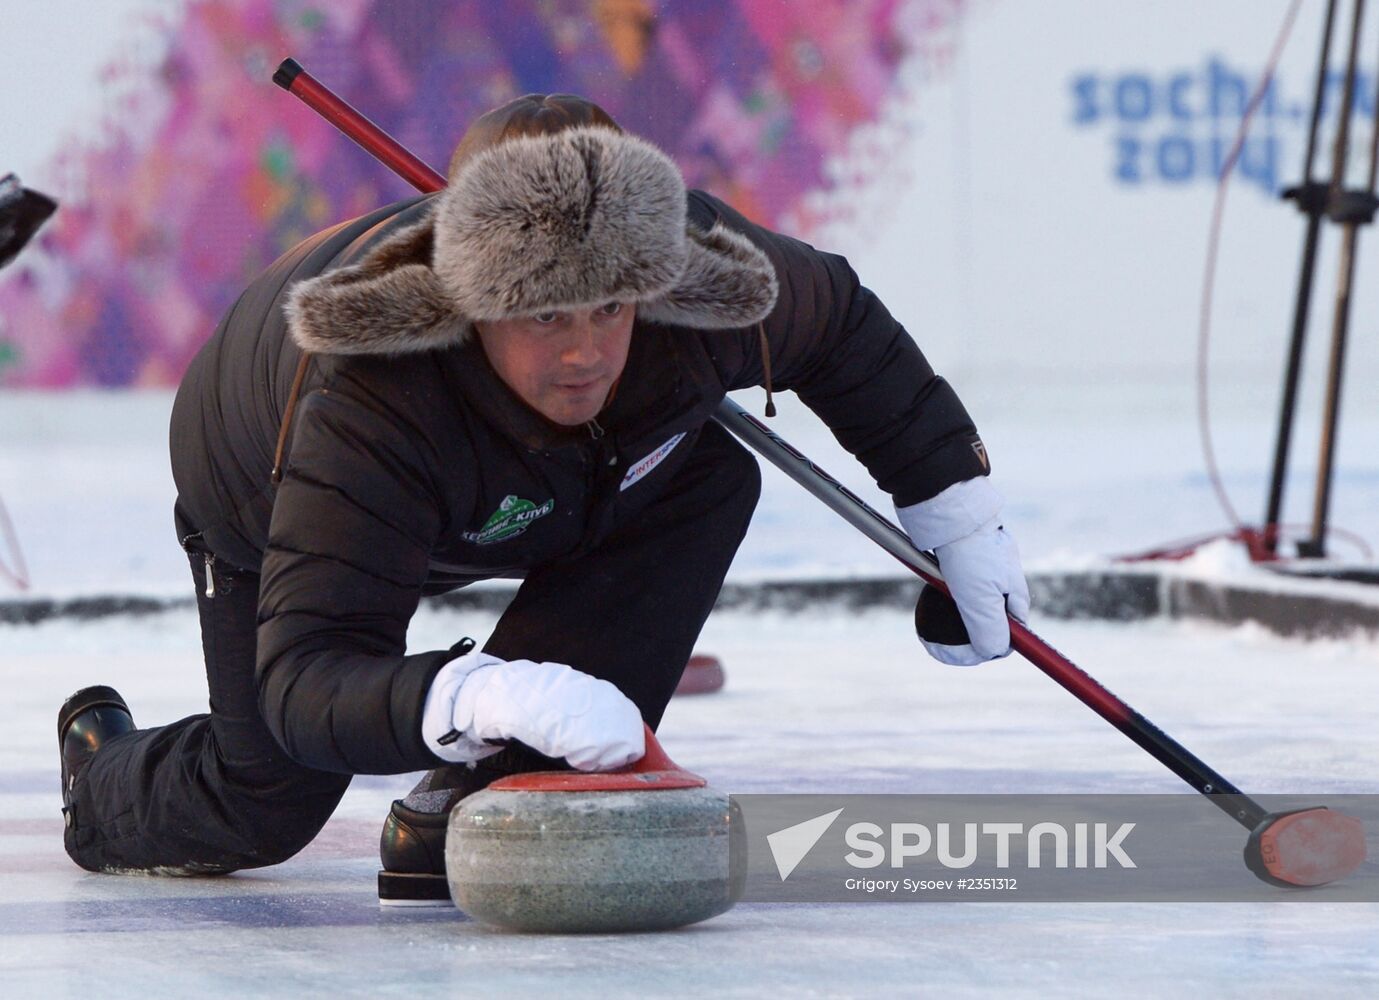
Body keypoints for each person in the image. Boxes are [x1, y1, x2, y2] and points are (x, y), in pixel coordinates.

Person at [57, 94, 1030, 902]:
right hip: (267, 502)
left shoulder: (686, 283)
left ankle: (473, 802)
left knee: (706, 472)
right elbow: (308, 673)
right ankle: (101, 773)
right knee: (266, 798)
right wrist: (473, 691)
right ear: (467, 303)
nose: (584, 351)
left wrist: (955, 510)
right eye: (541, 312)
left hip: (560, 481)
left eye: (610, 305)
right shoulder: (369, 393)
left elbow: (843, 327)